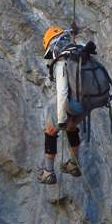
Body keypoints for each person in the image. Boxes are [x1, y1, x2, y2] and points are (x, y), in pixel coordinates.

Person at [39, 24, 82, 184]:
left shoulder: (62, 62)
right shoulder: (78, 52)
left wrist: (61, 119)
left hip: (73, 102)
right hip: (87, 101)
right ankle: (74, 164)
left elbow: (63, 92)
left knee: (51, 130)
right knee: (72, 127)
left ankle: (48, 172)